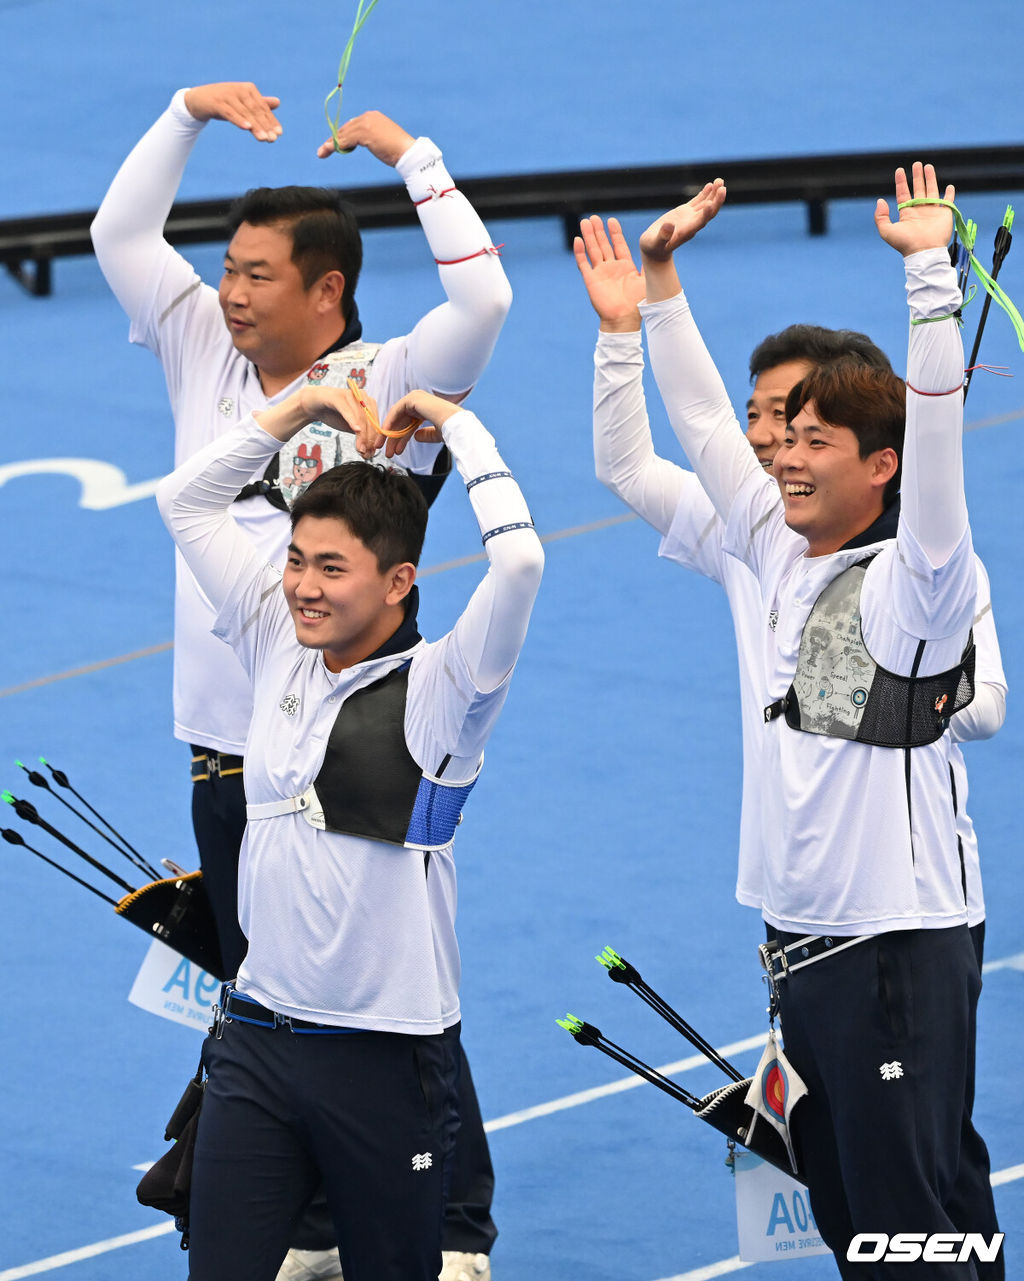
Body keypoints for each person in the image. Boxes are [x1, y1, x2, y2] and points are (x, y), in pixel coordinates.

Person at [91, 81, 510, 1281]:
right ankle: (322, 1225)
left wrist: (404, 151)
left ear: (326, 290)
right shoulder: (195, 344)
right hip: (226, 752)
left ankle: (453, 1228)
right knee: (271, 994)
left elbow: (484, 293)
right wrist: (178, 112)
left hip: (366, 748)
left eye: (256, 274)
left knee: (392, 997)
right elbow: (120, 235)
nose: (226, 291)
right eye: (224, 268)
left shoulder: (392, 374)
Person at [574, 217, 1006, 1274]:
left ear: (882, 465)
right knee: (888, 1217)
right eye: (785, 438)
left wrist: (926, 284)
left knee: (902, 1237)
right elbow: (700, 420)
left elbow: (938, 433)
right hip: (806, 950)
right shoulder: (769, 543)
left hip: (892, 947)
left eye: (816, 442)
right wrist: (651, 308)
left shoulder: (920, 577)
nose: (784, 459)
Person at [154, 381, 544, 1281]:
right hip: (256, 1037)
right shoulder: (275, 636)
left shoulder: (450, 689)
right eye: (295, 559)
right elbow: (186, 500)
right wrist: (297, 411)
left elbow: (519, 564)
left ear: (400, 581)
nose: (302, 586)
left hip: (386, 1055)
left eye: (332, 568)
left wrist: (454, 421)